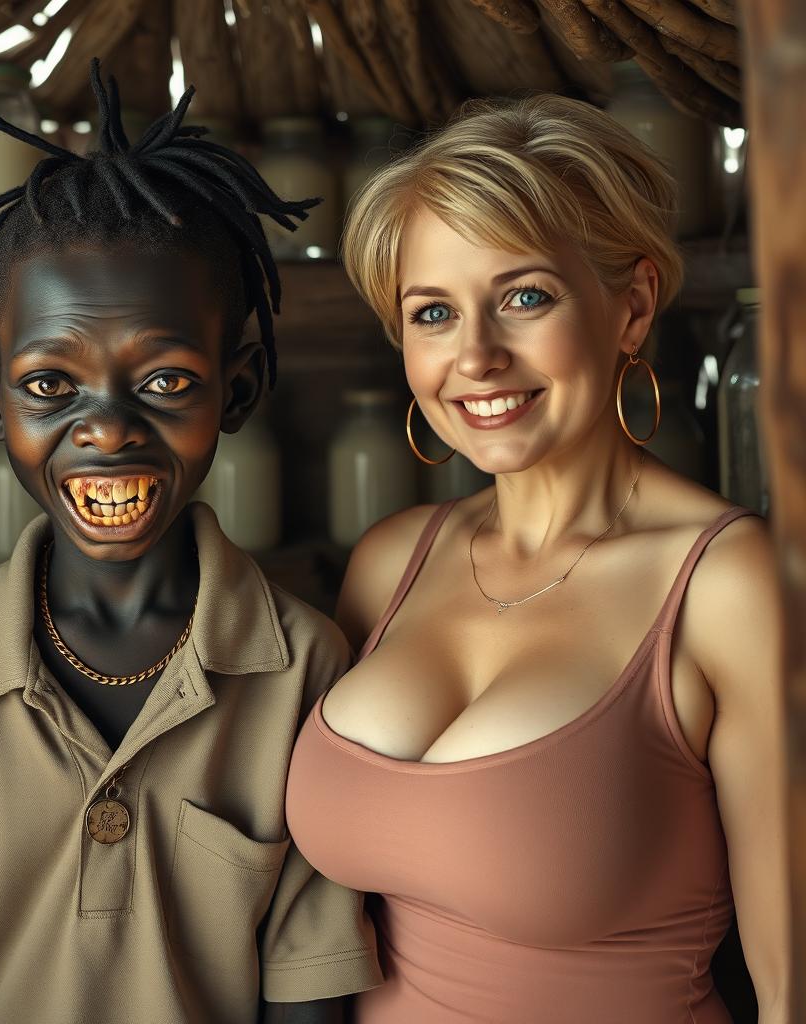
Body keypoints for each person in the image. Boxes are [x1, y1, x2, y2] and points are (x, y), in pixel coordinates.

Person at [0, 60, 380, 1024]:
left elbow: (309, 999)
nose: (107, 429)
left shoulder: (308, 675)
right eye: (49, 386)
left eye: (164, 382)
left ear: (235, 391)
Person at [285, 95, 790, 1023]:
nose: (475, 356)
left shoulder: (725, 579)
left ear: (631, 308)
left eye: (524, 297)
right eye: (433, 312)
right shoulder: (392, 562)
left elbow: (789, 969)